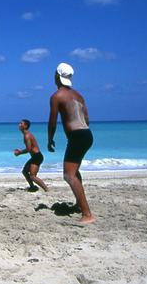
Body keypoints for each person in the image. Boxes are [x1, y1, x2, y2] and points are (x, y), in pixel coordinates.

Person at [47, 63, 95, 223]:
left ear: (56, 76)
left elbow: (52, 121)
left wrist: (50, 139)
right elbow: (86, 118)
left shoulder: (57, 96)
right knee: (75, 171)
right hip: (87, 134)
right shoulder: (79, 96)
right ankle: (79, 204)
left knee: (69, 175)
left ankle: (87, 214)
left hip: (77, 137)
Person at [14, 119, 48, 192]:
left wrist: (19, 153)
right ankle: (32, 187)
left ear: (25, 126)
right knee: (25, 172)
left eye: (21, 123)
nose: (19, 125)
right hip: (35, 157)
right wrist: (20, 151)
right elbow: (29, 148)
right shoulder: (26, 134)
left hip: (37, 157)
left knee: (32, 176)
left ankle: (46, 189)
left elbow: (28, 149)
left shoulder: (27, 135)